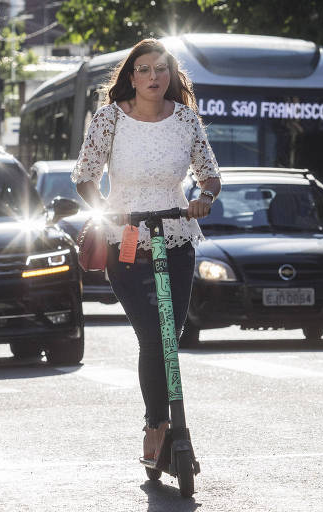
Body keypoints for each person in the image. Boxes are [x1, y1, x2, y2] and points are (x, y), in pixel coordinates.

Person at [71, 39, 221, 465]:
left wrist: (203, 198)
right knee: (152, 336)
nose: (154, 77)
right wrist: (105, 212)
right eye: (144, 69)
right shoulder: (110, 120)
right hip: (127, 239)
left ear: (171, 75)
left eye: (161, 69)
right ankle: (157, 426)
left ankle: (167, 429)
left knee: (170, 336)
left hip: (176, 236)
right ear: (131, 77)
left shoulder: (186, 119)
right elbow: (85, 177)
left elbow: (210, 175)